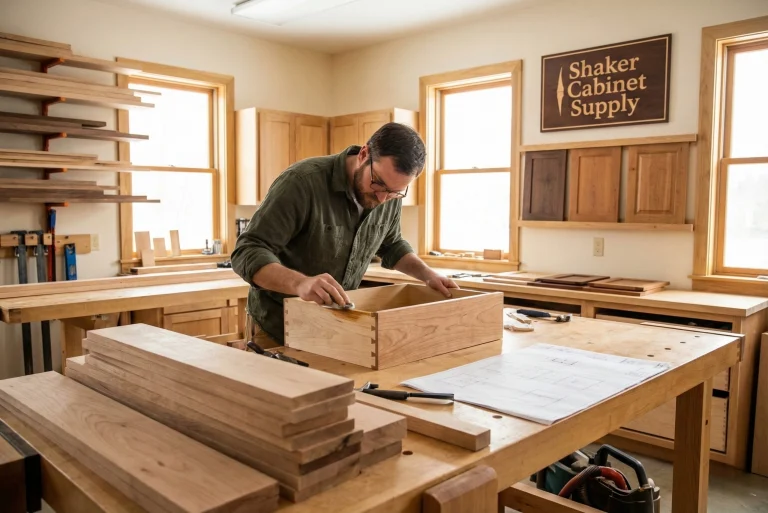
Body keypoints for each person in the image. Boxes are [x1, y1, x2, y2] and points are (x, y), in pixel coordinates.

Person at [231, 122, 458, 345]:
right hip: (278, 328)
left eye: (395, 192)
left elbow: (392, 244)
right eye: (378, 183)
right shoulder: (302, 182)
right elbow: (247, 251)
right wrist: (300, 283)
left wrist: (428, 275)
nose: (382, 198)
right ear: (364, 154)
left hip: (335, 329)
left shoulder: (389, 192)